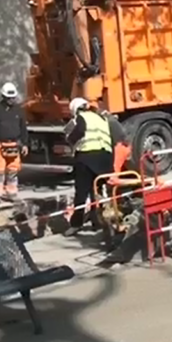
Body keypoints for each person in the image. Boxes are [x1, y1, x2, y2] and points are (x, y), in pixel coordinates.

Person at [64, 97, 114, 237]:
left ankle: (76, 224)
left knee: (81, 192)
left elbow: (79, 131)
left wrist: (70, 139)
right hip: (105, 159)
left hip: (86, 158)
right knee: (97, 192)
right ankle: (98, 222)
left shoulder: (81, 118)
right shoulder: (101, 118)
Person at [0, 82, 29, 202]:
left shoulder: (18, 110)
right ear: (3, 97)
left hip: (14, 144)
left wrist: (24, 143)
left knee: (13, 171)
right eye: (9, 98)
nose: (11, 100)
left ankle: (12, 194)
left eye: (13, 98)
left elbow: (23, 127)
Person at [104, 110, 131, 174]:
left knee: (114, 171)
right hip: (123, 146)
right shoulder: (113, 121)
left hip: (119, 147)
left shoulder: (109, 122)